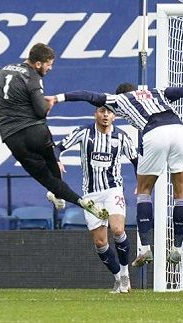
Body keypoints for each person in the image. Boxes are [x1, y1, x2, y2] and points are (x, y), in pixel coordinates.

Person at [52, 82, 183, 266]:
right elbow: (179, 91)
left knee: (144, 192)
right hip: (179, 131)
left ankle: (145, 249)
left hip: (154, 132)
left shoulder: (120, 99)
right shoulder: (155, 92)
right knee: (181, 193)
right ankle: (177, 248)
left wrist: (58, 98)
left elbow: (88, 94)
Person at [0, 43, 106, 219]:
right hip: (36, 133)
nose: (50, 68)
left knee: (46, 178)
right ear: (38, 64)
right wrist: (47, 104)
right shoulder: (32, 77)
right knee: (53, 168)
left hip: (11, 137)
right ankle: (62, 194)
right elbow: (40, 111)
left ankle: (78, 200)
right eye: (48, 64)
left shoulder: (1, 71)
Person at [55, 106, 138, 293]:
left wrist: (141, 184)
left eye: (109, 112)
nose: (106, 115)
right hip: (91, 194)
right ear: (95, 114)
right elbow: (58, 147)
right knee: (100, 242)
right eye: (102, 111)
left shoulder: (122, 137)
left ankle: (125, 274)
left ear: (115, 116)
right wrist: (57, 159)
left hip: (113, 190)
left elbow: (136, 161)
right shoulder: (84, 132)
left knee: (117, 229)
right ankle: (117, 278)